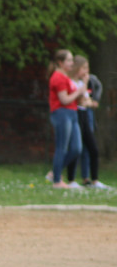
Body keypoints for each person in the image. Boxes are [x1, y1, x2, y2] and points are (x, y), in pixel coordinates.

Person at [66, 56, 106, 189]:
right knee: (76, 148)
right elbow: (81, 100)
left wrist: (87, 99)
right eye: (84, 68)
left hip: (84, 115)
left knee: (93, 148)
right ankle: (69, 179)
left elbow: (87, 101)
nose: (87, 71)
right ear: (78, 68)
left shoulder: (81, 83)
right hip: (75, 114)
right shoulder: (72, 82)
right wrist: (85, 84)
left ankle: (94, 180)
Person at [47, 49, 85, 190]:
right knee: (62, 147)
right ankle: (57, 181)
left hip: (72, 113)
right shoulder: (58, 78)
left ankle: (54, 172)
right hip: (62, 113)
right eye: (69, 60)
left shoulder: (66, 77)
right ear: (60, 63)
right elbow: (64, 99)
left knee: (76, 148)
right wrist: (78, 92)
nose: (72, 63)